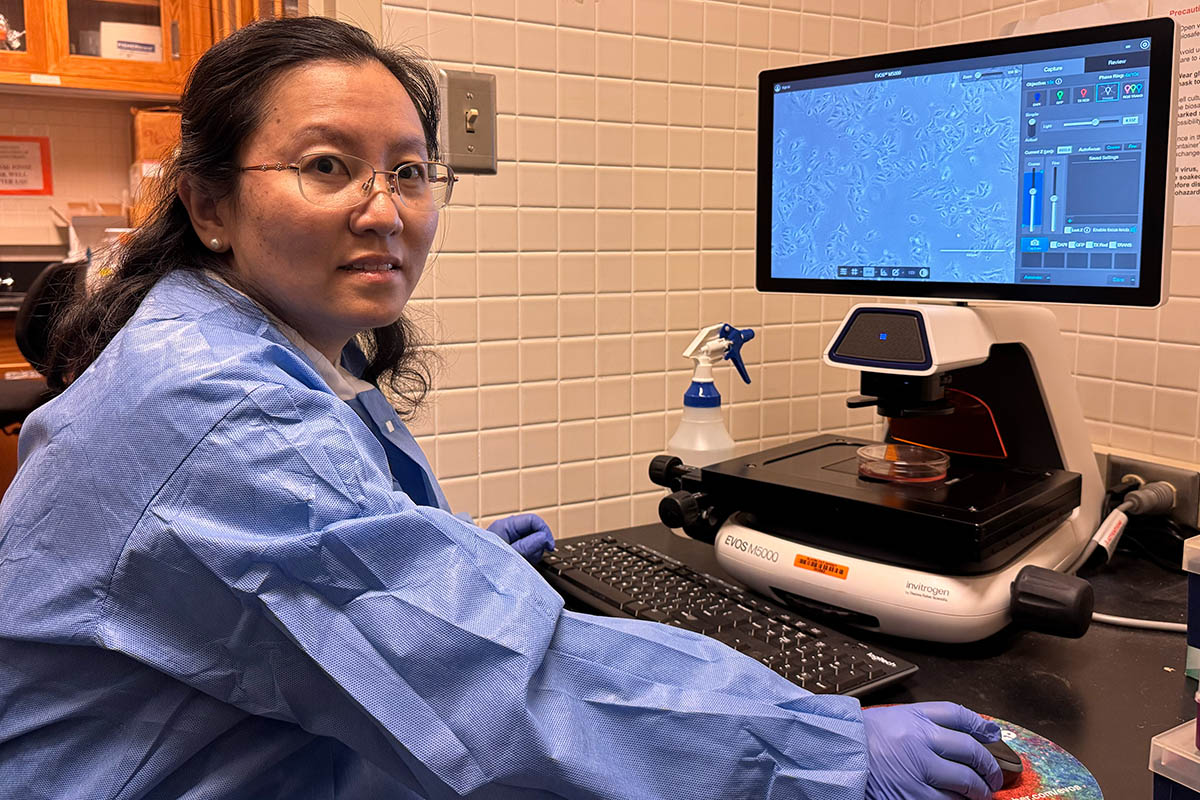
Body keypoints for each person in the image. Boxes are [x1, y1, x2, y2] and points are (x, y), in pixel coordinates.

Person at [0, 16, 1004, 800]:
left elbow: (300, 570)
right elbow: (496, 691)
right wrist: (820, 747)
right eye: (326, 166)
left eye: (407, 170)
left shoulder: (238, 345)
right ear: (210, 205)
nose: (384, 208)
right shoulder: (218, 408)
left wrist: (447, 557)